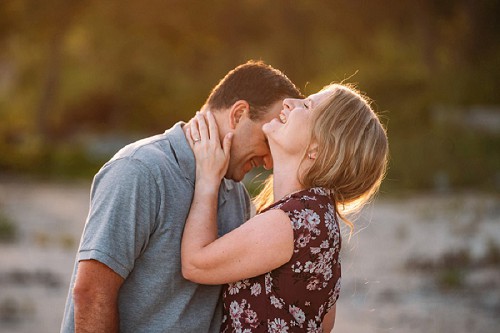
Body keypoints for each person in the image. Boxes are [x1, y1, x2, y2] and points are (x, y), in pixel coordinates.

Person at [60, 60, 302, 332]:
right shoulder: (140, 170)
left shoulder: (237, 195)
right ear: (238, 115)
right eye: (267, 140)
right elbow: (91, 295)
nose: (269, 161)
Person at [182, 83, 388, 332]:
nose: (290, 102)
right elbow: (323, 324)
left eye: (307, 105)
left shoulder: (291, 221)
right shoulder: (317, 217)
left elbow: (195, 264)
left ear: (317, 148)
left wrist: (207, 179)